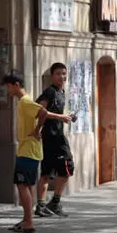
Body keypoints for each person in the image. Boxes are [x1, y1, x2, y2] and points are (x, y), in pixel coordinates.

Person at [3, 72, 49, 233]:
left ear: (16, 85)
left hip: (28, 151)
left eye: (8, 87)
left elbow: (43, 112)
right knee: (26, 185)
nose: (8, 91)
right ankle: (25, 220)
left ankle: (29, 222)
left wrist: (37, 130)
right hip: (29, 150)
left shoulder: (25, 101)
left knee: (22, 185)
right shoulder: (23, 102)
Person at [34, 62, 79, 217]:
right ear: (52, 76)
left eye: (64, 74)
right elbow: (39, 111)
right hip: (53, 138)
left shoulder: (61, 92)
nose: (62, 76)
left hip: (55, 135)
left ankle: (50, 203)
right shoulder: (50, 92)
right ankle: (47, 204)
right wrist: (38, 129)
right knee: (66, 167)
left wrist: (67, 117)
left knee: (51, 172)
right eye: (58, 74)